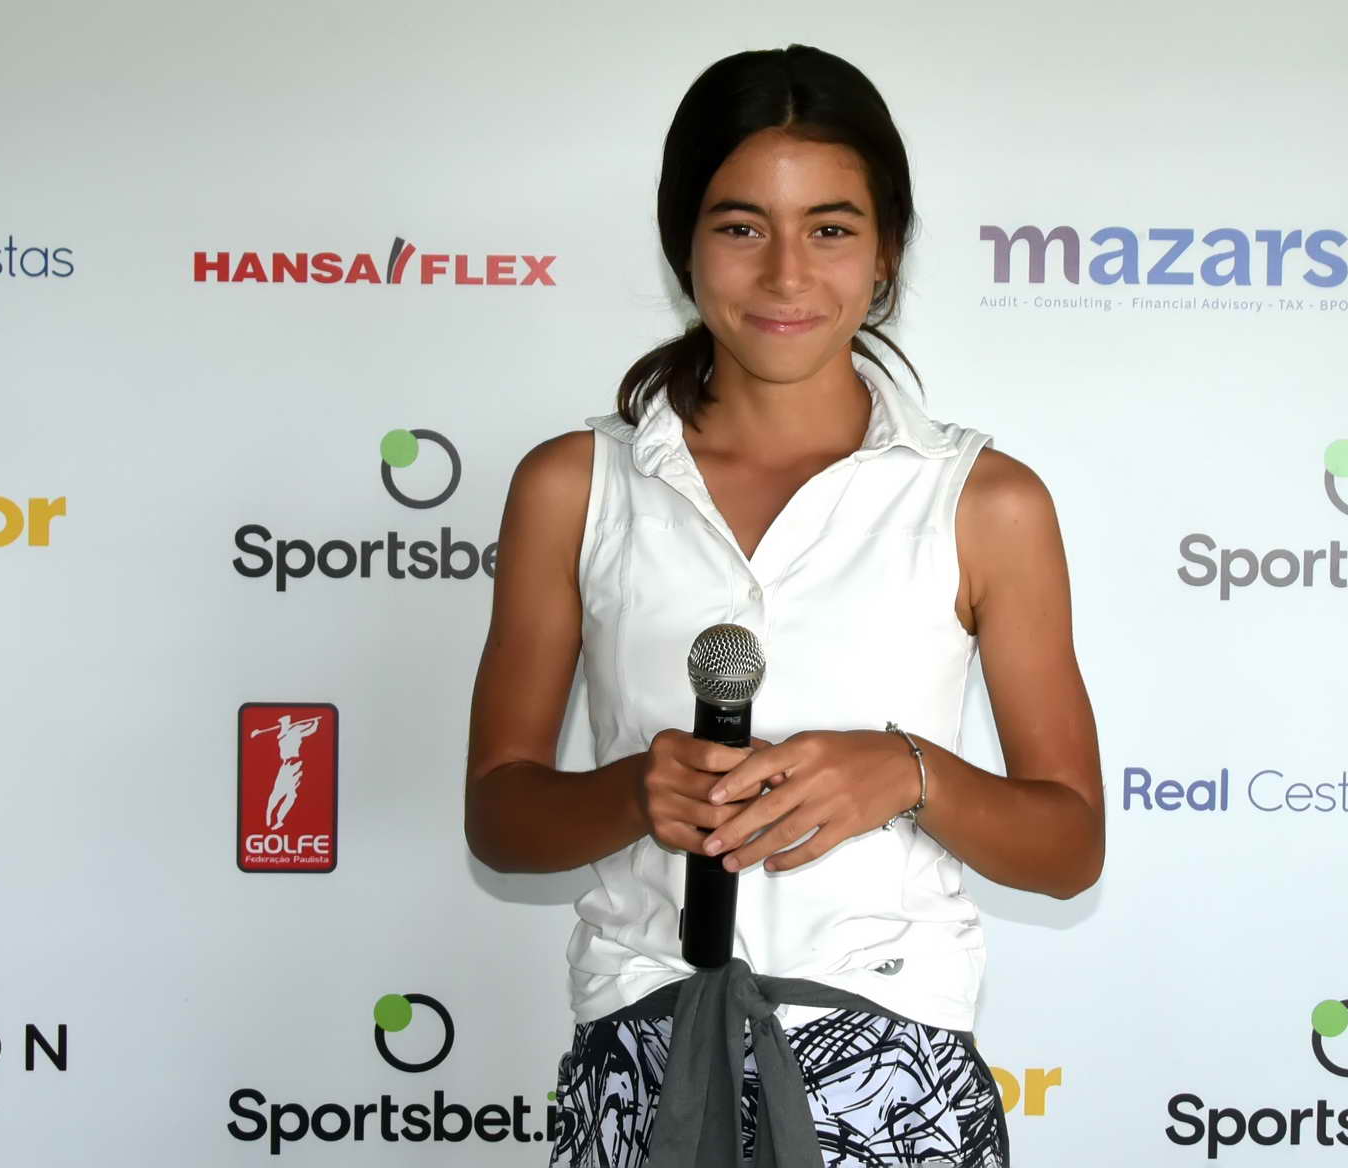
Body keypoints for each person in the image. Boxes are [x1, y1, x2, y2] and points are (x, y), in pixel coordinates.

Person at [465, 44, 1104, 1168]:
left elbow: (1069, 846)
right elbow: (499, 819)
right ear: (684, 241)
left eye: (832, 228)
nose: (786, 274)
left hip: (893, 1080)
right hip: (644, 1060)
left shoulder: (984, 501)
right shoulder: (575, 485)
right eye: (742, 225)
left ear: (888, 252)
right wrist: (635, 790)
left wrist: (909, 774)